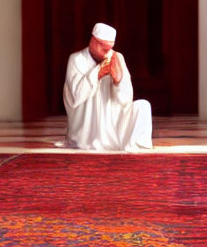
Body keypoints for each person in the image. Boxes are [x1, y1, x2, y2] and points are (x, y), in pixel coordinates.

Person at [59, 22, 153, 151]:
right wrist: (98, 72)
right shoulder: (76, 59)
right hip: (88, 127)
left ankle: (135, 151)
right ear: (93, 41)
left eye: (110, 48)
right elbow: (75, 97)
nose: (107, 53)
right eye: (104, 48)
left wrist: (118, 82)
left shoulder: (117, 57)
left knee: (143, 106)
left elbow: (126, 99)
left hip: (113, 122)